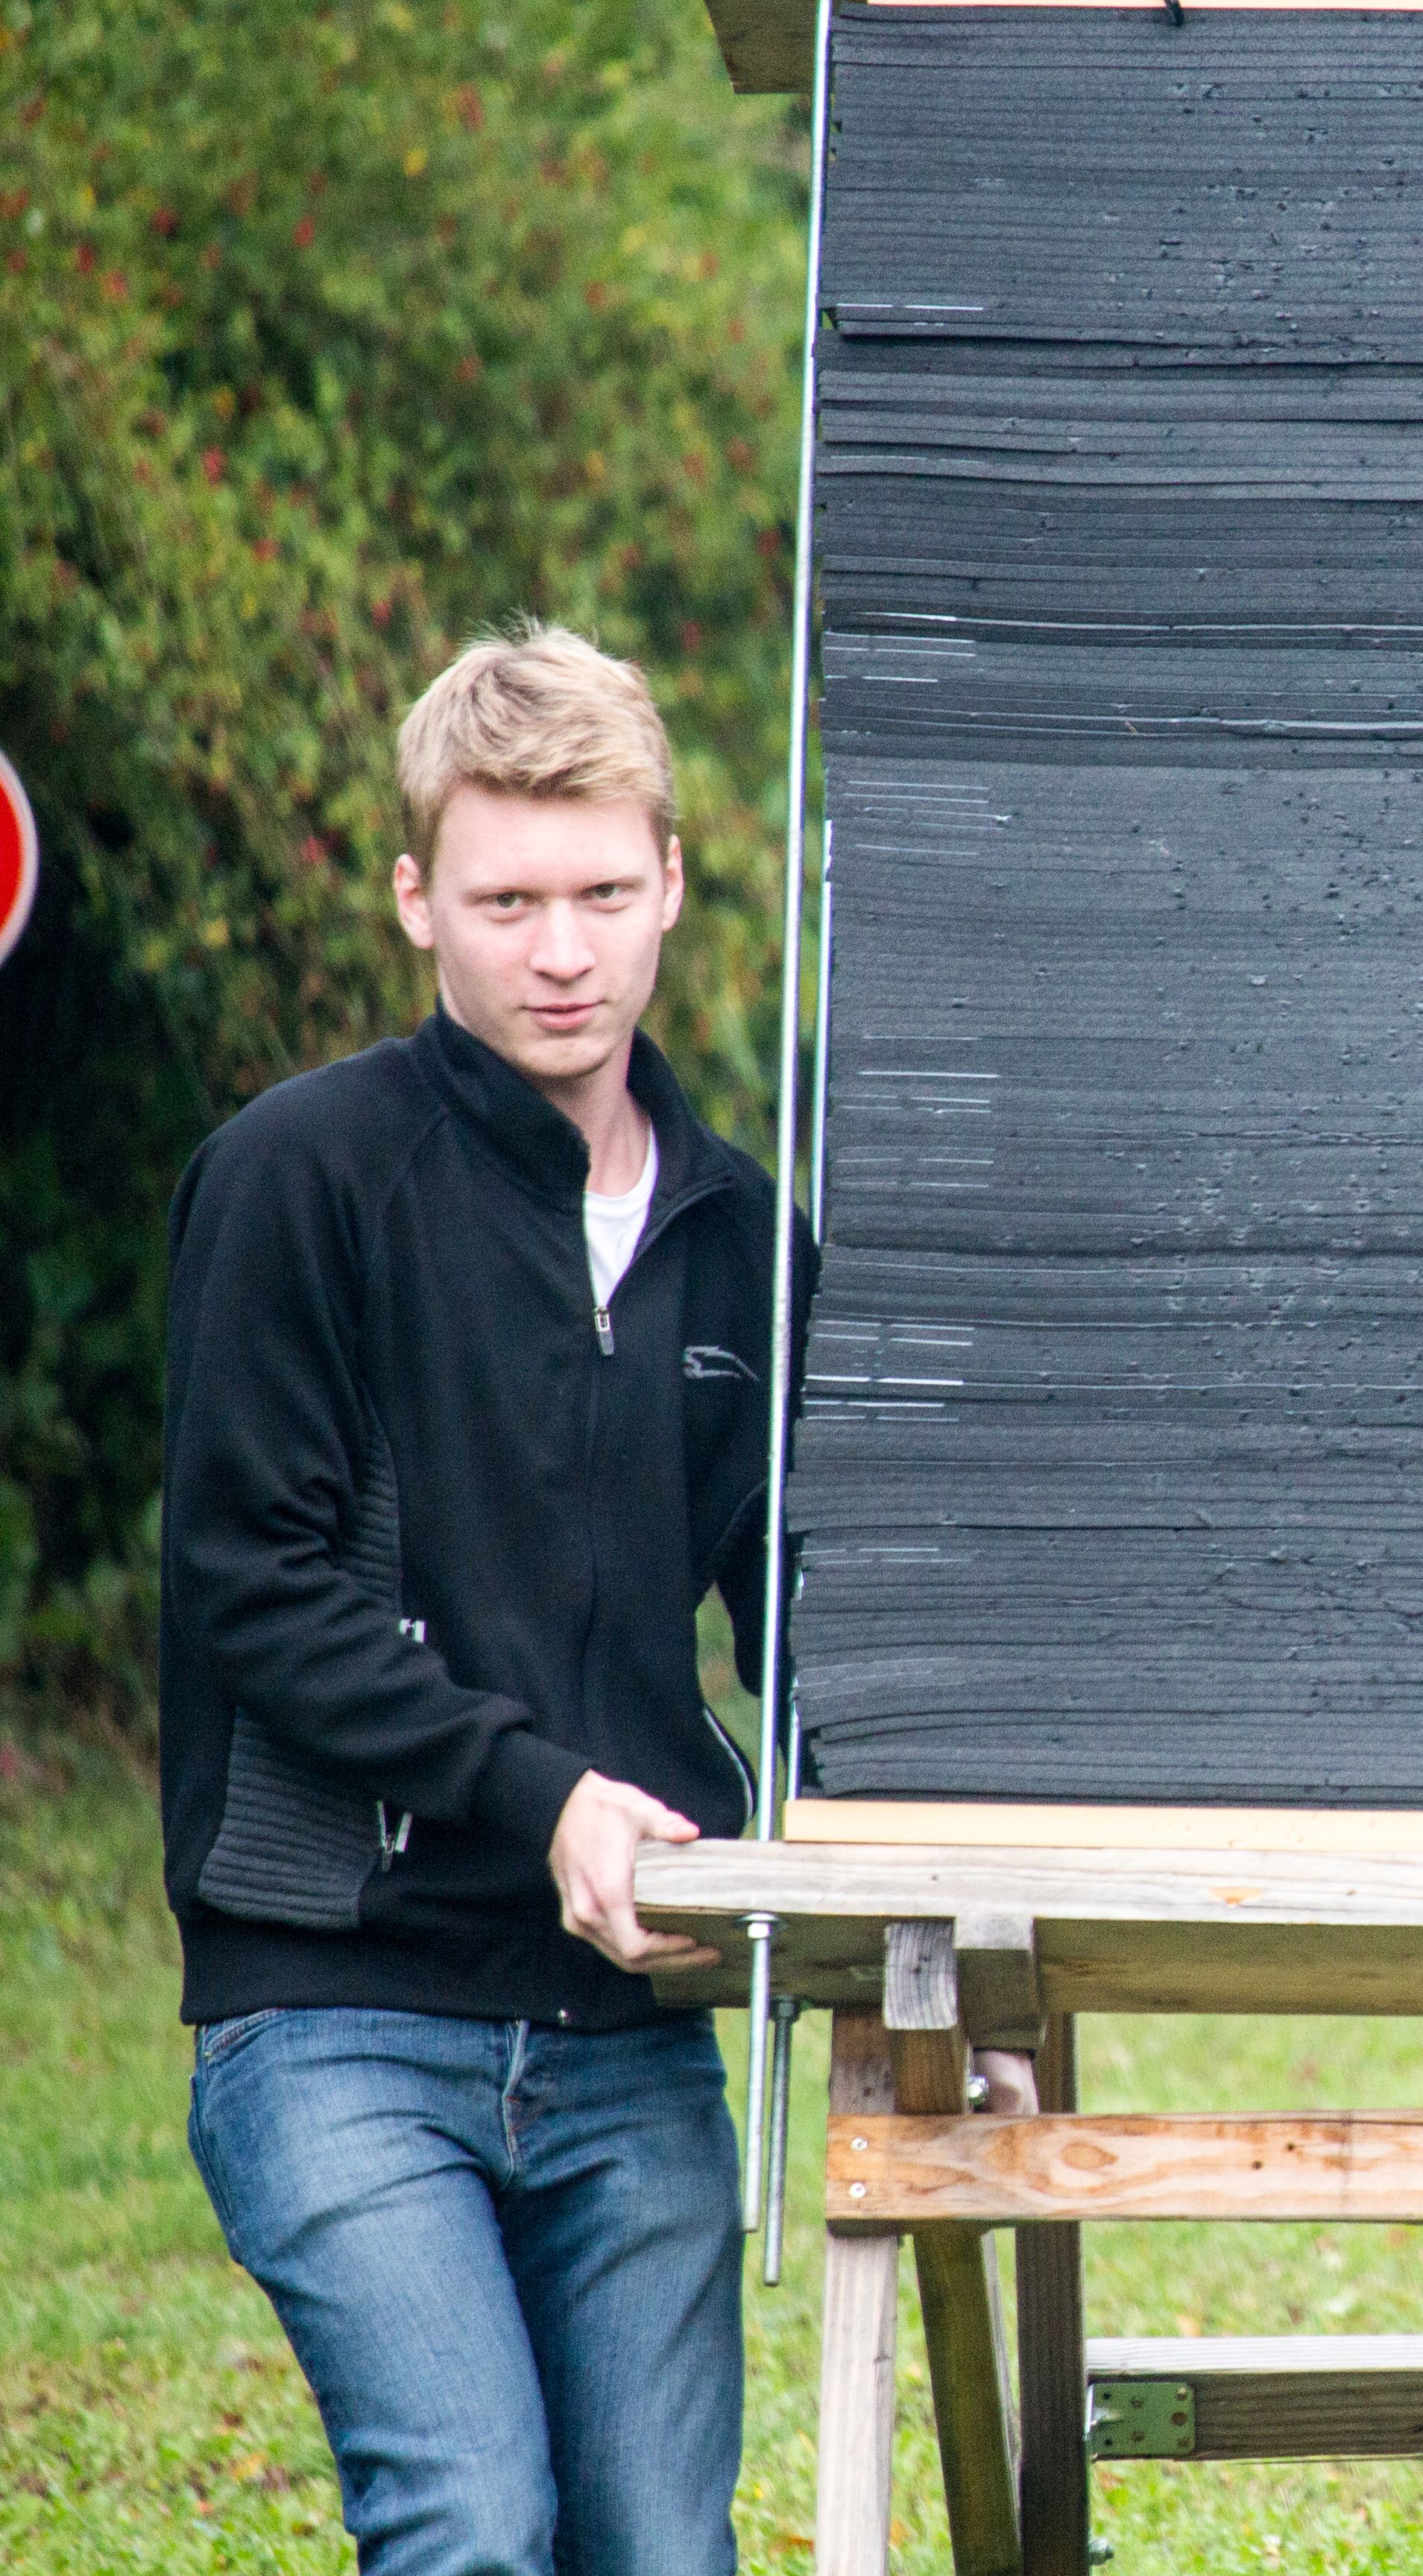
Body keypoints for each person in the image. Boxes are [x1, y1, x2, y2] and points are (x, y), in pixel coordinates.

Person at [160, 625, 802, 2575]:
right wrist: (551, 1797)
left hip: (633, 2029)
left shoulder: (744, 1239)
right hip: (335, 2012)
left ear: (673, 883)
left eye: (602, 893)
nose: (562, 952)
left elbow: (820, 1631)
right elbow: (254, 1590)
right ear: (415, 898)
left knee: (662, 2555)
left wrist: (946, 1915)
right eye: (508, 902)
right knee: (470, 2521)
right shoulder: (299, 1177)